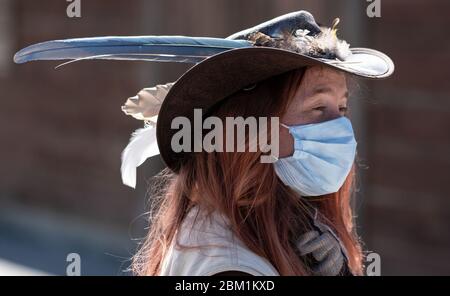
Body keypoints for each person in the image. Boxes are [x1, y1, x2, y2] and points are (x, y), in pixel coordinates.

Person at [14, 10, 394, 276]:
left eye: (341, 107)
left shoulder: (275, 226)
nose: (339, 127)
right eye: (317, 107)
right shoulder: (227, 265)